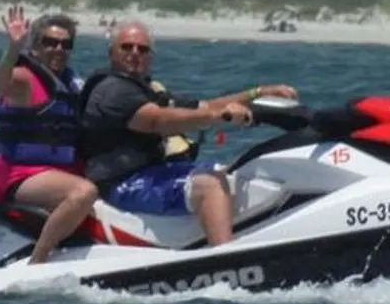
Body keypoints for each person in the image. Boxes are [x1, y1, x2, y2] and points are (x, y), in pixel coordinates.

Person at [78, 21, 298, 246]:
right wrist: (218, 117)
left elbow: (205, 106)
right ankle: (225, 256)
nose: (135, 53)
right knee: (209, 184)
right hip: (121, 183)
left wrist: (258, 93)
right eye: (127, 47)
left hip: (152, 172)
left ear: (150, 57)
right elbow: (157, 121)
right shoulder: (112, 91)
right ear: (112, 52)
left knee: (234, 171)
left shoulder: (145, 89)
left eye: (142, 49)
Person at [0, 7, 98, 264]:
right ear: (36, 46)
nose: (58, 49)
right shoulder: (24, 79)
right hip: (20, 176)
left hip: (59, 173)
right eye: (50, 42)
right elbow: (0, 84)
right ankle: (39, 259)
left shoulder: (71, 83)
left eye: (65, 44)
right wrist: (13, 48)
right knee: (84, 192)